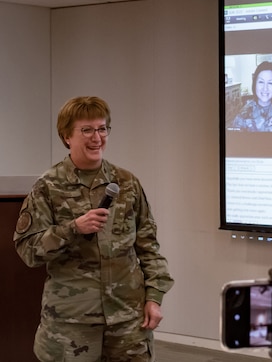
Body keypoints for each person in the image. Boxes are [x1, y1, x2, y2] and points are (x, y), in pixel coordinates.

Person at [13, 96, 174, 362]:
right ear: (66, 136)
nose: (97, 138)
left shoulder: (126, 182)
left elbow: (148, 246)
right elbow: (28, 250)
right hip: (72, 323)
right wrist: (73, 228)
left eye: (102, 129)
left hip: (127, 320)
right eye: (86, 130)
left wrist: (154, 297)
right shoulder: (48, 187)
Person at [232, 61, 272, 132]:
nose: (265, 88)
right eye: (261, 82)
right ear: (254, 84)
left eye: (270, 83)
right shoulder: (243, 115)